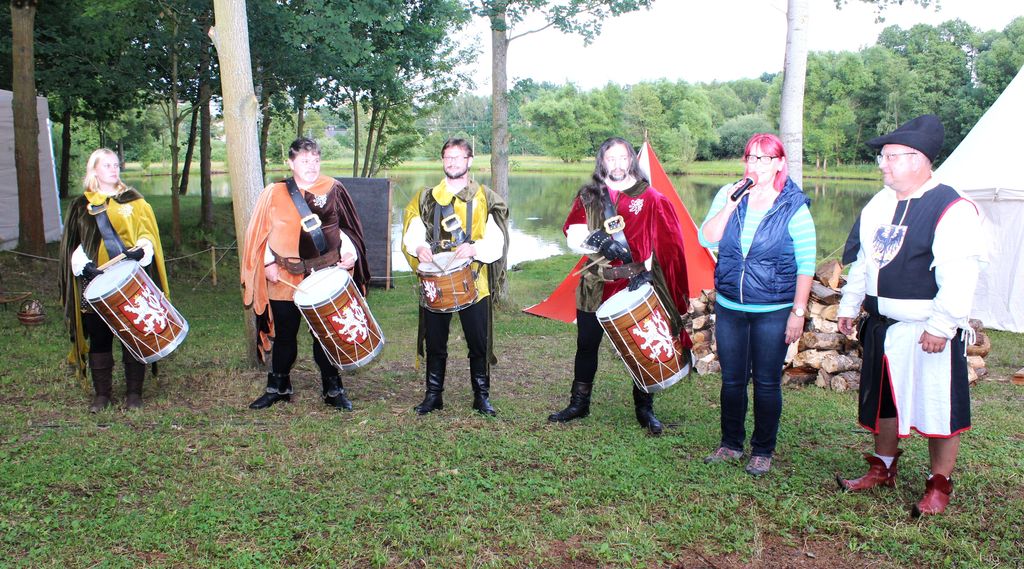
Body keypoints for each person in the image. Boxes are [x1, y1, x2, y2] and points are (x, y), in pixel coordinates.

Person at [835, 115, 985, 517]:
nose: (882, 164)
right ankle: (883, 468)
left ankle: (939, 484)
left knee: (938, 405)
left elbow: (960, 274)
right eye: (882, 157)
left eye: (890, 157)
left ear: (918, 159)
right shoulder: (879, 203)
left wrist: (941, 325)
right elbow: (865, 262)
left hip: (926, 329)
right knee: (885, 400)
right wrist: (850, 304)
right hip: (882, 326)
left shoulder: (951, 206)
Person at [548, 137, 691, 435]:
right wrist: (597, 240)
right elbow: (572, 233)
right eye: (610, 158)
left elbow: (668, 246)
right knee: (586, 345)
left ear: (631, 160)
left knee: (640, 347)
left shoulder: (650, 197)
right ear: (602, 161)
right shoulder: (591, 195)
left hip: (634, 283)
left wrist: (651, 275)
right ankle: (579, 403)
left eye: (622, 157)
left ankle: (644, 408)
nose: (617, 164)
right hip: (596, 283)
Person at [697, 133, 816, 476]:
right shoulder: (730, 193)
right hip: (731, 305)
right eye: (751, 157)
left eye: (765, 158)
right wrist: (731, 204)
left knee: (766, 382)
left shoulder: (792, 204)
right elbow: (707, 237)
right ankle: (730, 444)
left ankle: (763, 450)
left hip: (773, 309)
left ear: (780, 163)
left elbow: (806, 264)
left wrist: (798, 311)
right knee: (732, 381)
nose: (756, 164)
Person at [241, 137, 369, 411]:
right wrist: (267, 264)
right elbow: (260, 232)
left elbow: (347, 228)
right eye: (304, 161)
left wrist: (350, 253)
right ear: (291, 163)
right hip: (284, 278)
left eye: (315, 160)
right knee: (285, 334)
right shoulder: (273, 193)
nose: (311, 166)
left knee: (326, 334)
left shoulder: (334, 188)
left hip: (325, 275)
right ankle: (278, 387)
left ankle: (333, 389)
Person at [401, 138, 509, 416]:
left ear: (469, 161)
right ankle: (433, 395)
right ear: (442, 161)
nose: (452, 162)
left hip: (474, 281)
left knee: (478, 343)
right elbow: (413, 233)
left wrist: (474, 249)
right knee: (435, 342)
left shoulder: (485, 197)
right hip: (436, 283)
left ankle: (481, 396)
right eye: (448, 157)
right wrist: (419, 248)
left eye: (458, 157)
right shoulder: (426, 198)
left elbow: (496, 241)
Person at [59, 148, 169, 412]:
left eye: (116, 165)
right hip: (95, 282)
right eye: (106, 165)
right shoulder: (81, 205)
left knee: (133, 335)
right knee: (99, 337)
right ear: (94, 170)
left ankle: (134, 394)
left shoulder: (135, 201)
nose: (113, 169)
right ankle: (102, 395)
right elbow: (74, 243)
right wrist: (82, 265)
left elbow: (147, 234)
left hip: (130, 281)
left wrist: (143, 249)